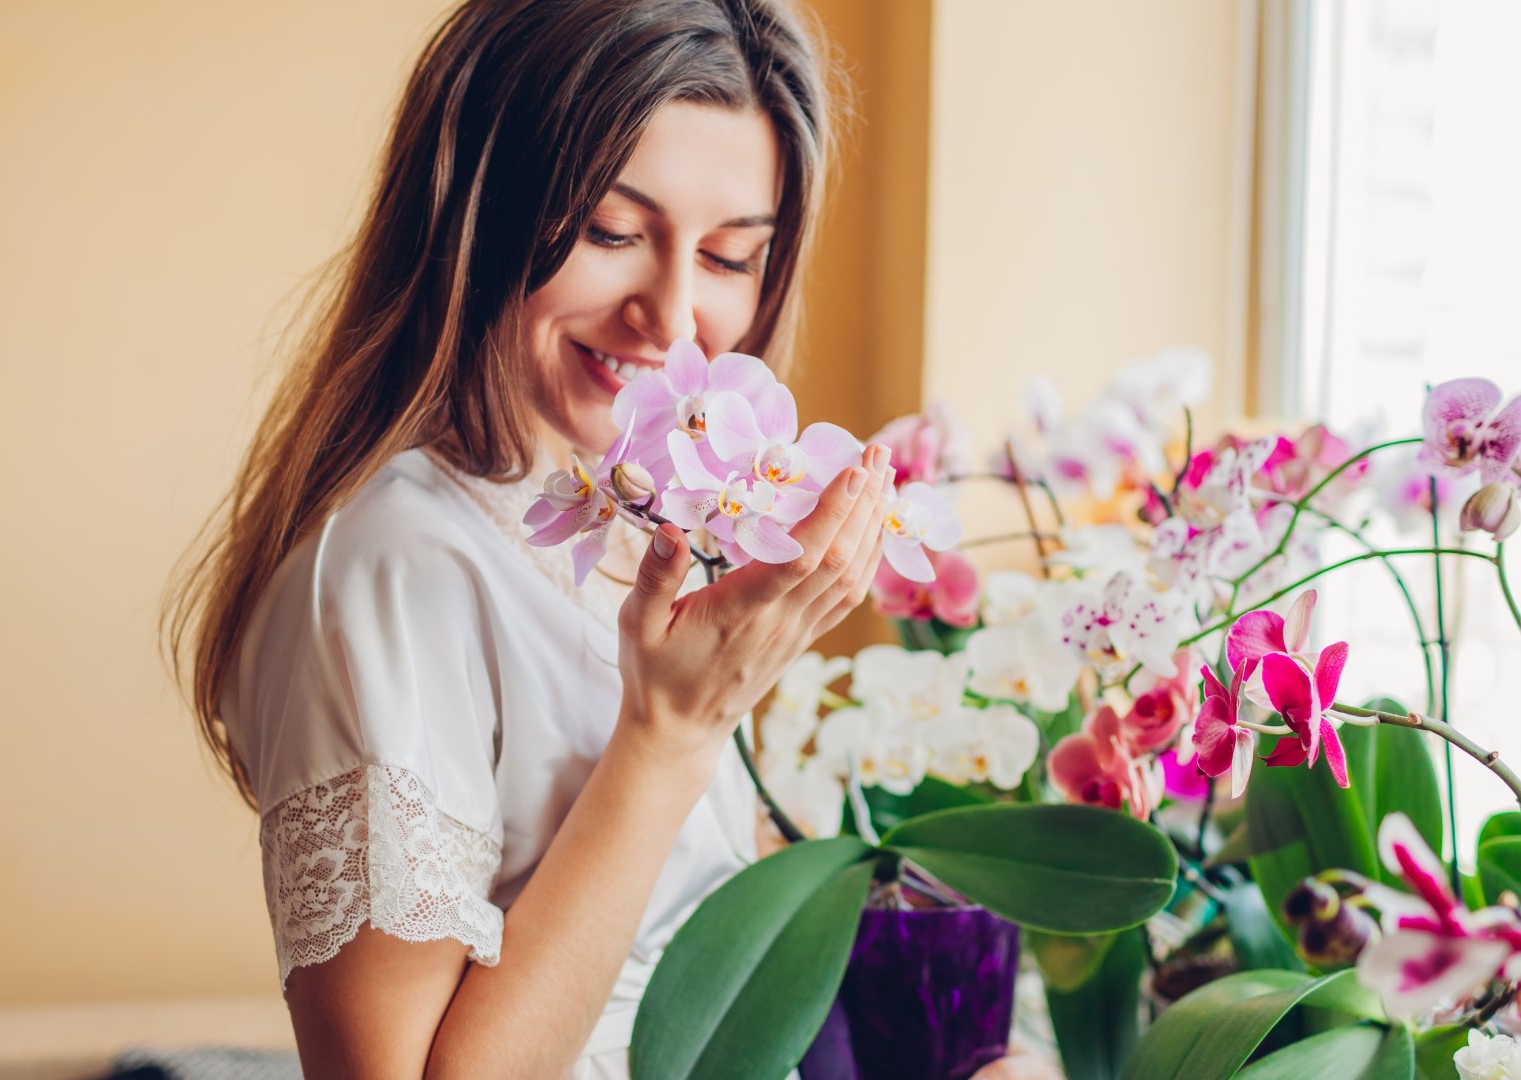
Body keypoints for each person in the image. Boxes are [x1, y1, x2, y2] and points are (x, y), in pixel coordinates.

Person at [168, 2, 1060, 1077]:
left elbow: (673, 976)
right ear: (474, 212)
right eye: (611, 234)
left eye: (732, 257)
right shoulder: (394, 569)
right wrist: (671, 734)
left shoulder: (617, 529)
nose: (674, 317)